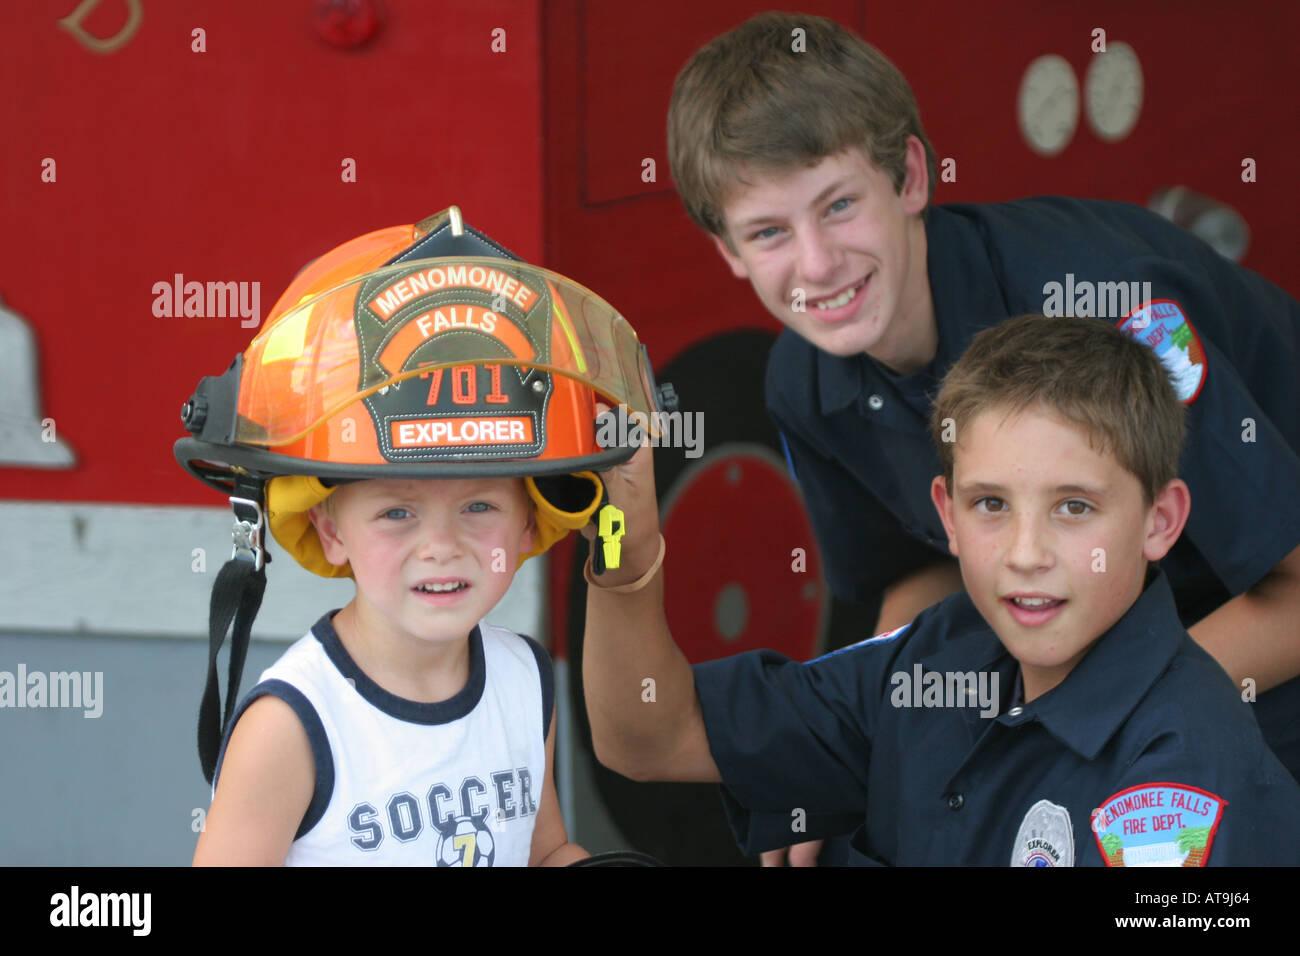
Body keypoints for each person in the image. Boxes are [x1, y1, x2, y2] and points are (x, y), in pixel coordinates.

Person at [665, 12, 1300, 815]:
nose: (817, 265)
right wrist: (853, 756)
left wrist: (1086, 724)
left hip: (1263, 622)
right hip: (1107, 644)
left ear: (910, 180)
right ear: (729, 252)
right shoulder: (803, 380)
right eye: (768, 232)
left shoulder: (1112, 312)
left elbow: (1292, 593)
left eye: (837, 206)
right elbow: (917, 577)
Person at [581, 315, 1300, 865]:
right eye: (991, 504)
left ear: (1161, 520)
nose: (1025, 554)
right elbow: (648, 737)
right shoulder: (932, 662)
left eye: (1074, 507)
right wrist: (626, 549)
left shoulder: (1183, 780)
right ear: (946, 515)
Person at [174, 208, 659, 865]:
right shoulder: (292, 728)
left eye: (480, 506)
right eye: (397, 513)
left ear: (528, 523)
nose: (441, 545)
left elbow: (541, 850)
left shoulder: (524, 679)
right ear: (328, 526)